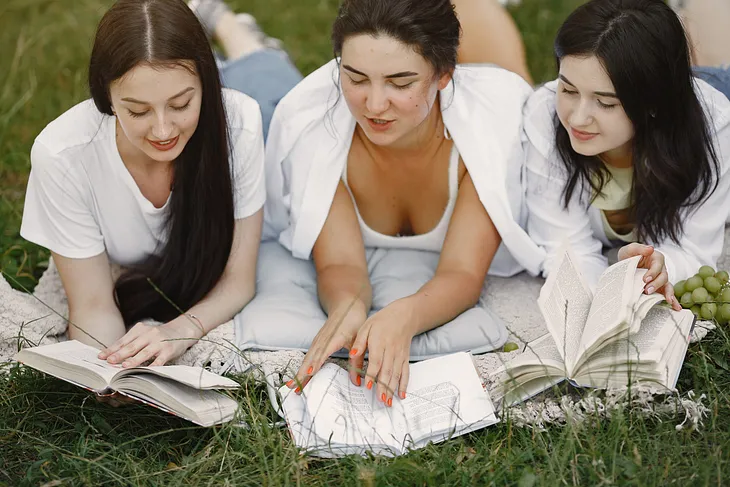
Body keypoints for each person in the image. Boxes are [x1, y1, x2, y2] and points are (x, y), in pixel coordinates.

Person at [256, 0, 544, 407]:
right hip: (274, 101)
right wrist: (349, 307)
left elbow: (462, 272)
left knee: (507, 59)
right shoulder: (313, 130)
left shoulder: (491, 131)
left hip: (484, 84)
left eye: (400, 82)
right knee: (261, 84)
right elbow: (341, 265)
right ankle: (243, 38)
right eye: (356, 77)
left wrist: (404, 315)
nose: (374, 105)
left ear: (444, 75)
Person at [19, 0, 282, 370]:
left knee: (271, 84)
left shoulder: (240, 124)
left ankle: (230, 27)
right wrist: (110, 368)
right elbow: (92, 305)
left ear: (205, 87)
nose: (162, 131)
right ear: (105, 97)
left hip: (268, 123)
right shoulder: (63, 155)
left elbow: (239, 282)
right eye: (138, 111)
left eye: (181, 104)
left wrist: (178, 332)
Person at [523, 0, 730, 308]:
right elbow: (562, 246)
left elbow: (696, 250)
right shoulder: (544, 112)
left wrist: (662, 266)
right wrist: (605, 292)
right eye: (568, 90)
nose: (577, 119)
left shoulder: (713, 124)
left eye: (605, 103)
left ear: (653, 105)